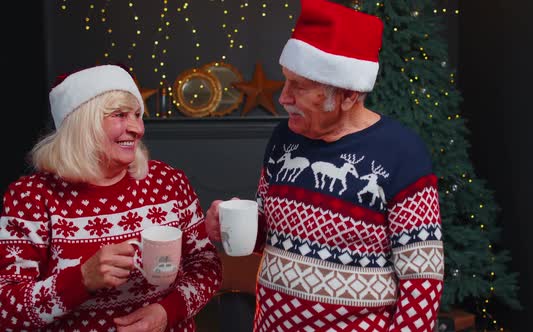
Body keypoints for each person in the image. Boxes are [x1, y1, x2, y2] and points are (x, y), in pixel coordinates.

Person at [205, 0, 444, 331]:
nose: (283, 97)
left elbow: (423, 277)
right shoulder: (282, 140)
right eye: (286, 81)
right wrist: (231, 225)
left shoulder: (402, 153)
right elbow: (269, 236)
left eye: (299, 87)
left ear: (348, 95)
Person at [0, 64, 222, 331]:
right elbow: (6, 308)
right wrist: (81, 279)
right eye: (120, 114)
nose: (137, 128)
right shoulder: (31, 198)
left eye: (137, 115)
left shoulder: (169, 182)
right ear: (83, 123)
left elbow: (206, 266)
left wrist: (167, 312)